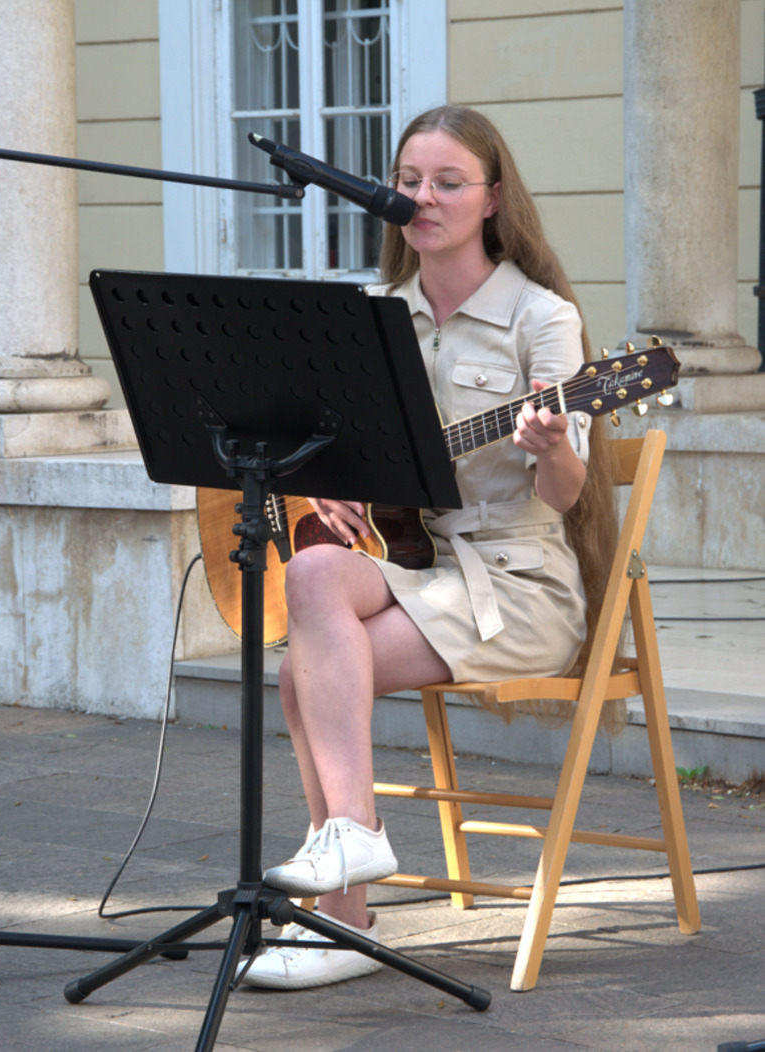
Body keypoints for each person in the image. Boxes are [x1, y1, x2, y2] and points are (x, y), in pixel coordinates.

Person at [244, 105, 617, 990]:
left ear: (492, 198)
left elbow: (566, 495)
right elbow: (326, 442)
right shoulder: (375, 314)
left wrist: (552, 446)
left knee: (304, 671)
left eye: (449, 183)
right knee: (312, 567)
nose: (424, 198)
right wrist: (324, 480)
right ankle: (356, 845)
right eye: (410, 181)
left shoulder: (542, 317)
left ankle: (345, 914)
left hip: (517, 585)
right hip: (414, 562)